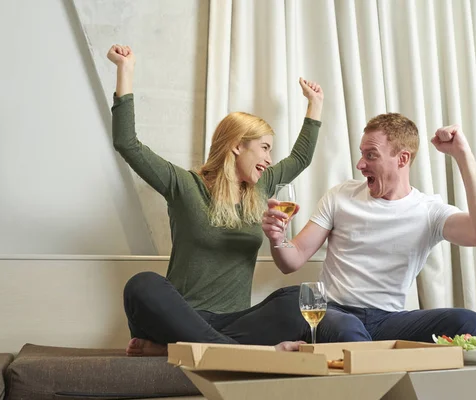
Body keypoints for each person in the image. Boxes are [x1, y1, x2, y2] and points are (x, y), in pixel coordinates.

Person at [106, 44, 323, 355]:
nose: (269, 158)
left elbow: (301, 157)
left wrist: (315, 104)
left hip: (232, 323)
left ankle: (176, 351)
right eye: (264, 148)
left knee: (294, 301)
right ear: (237, 146)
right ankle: (240, 355)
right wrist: (124, 69)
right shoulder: (183, 185)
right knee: (141, 285)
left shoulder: (261, 188)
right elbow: (127, 143)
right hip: (178, 320)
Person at [262, 113, 476, 343]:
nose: (360, 164)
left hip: (388, 321)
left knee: (470, 322)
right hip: (335, 313)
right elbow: (291, 261)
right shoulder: (341, 196)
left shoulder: (429, 211)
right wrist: (278, 238)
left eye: (371, 155)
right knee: (348, 329)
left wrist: (462, 154)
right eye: (361, 154)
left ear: (402, 159)